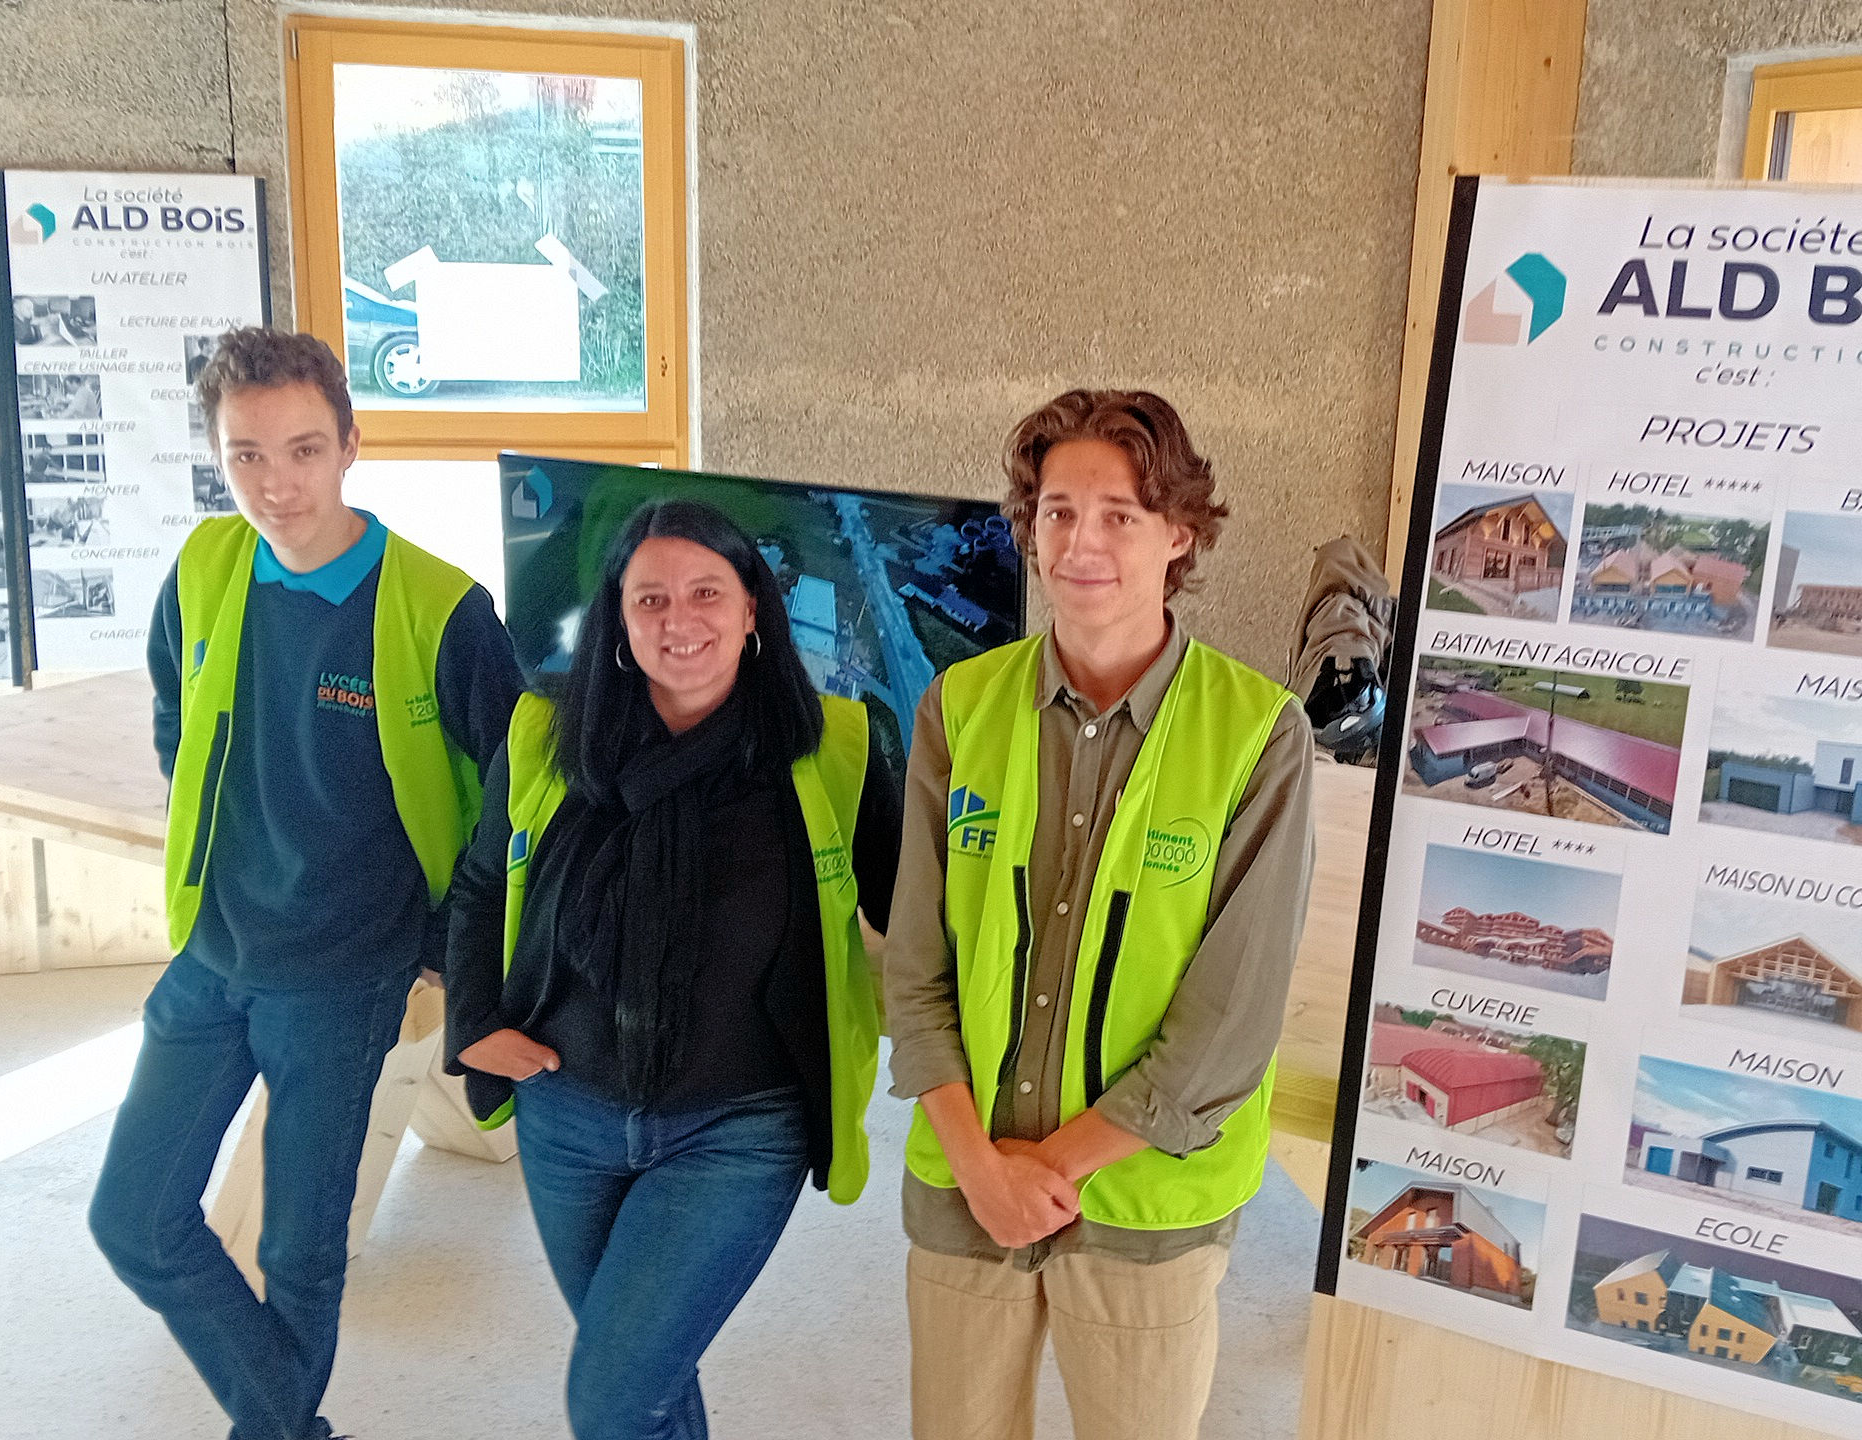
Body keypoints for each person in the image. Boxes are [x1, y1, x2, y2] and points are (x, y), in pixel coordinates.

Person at [88, 327, 524, 1440]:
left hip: (346, 976)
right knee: (132, 1219)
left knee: (297, 1248)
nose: (275, 485)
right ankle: (289, 1426)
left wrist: (441, 950)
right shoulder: (204, 570)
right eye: (245, 456)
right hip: (215, 953)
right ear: (217, 454)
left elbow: (514, 798)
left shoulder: (441, 608)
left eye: (302, 451)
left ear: (350, 446)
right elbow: (176, 722)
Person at [885, 389, 1315, 1440]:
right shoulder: (960, 707)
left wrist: (1053, 1167)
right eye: (1057, 511)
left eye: (1119, 514)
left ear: (1178, 534)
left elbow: (1228, 1024)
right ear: (1027, 528)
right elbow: (913, 966)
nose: (1083, 542)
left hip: (1145, 1200)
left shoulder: (1260, 734)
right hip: (966, 1177)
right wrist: (986, 1171)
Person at [442, 498, 899, 1440]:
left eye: (705, 593)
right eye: (649, 598)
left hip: (737, 1130)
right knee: (646, 1380)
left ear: (752, 614)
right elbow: (483, 882)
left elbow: (924, 924)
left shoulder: (835, 750)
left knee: (609, 1395)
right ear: (615, 617)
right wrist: (474, 1027)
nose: (677, 620)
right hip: (565, 1116)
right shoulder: (544, 735)